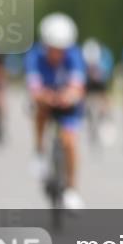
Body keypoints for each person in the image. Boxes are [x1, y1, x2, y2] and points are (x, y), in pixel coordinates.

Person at [26, 13, 86, 210]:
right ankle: (39, 152)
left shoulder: (75, 56)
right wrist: (46, 97)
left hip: (67, 104)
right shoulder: (35, 57)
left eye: (61, 49)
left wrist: (68, 96)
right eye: (53, 49)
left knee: (70, 141)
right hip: (46, 100)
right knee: (40, 111)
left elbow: (78, 86)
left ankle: (71, 189)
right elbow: (34, 89)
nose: (57, 54)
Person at [82, 38, 115, 145]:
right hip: (90, 81)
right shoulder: (91, 53)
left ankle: (106, 114)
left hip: (99, 80)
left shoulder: (103, 56)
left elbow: (107, 70)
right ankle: (85, 111)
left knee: (104, 96)